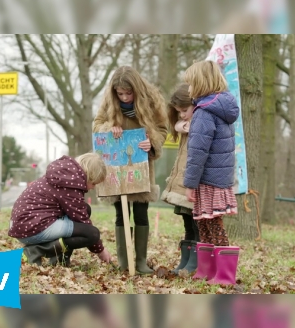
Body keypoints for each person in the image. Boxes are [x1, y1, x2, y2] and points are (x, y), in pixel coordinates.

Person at [93, 65, 168, 274]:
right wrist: (109, 129)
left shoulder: (152, 100)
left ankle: (141, 262)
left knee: (141, 212)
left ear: (137, 89)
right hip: (117, 166)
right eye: (120, 93)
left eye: (128, 93)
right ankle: (124, 261)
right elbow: (97, 124)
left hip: (141, 166)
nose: (124, 97)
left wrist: (151, 142)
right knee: (121, 212)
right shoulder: (109, 100)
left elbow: (163, 130)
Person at [182, 60, 240, 285]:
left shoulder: (204, 113)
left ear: (199, 83)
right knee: (204, 223)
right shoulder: (220, 109)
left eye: (189, 85)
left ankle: (224, 275)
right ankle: (208, 271)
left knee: (213, 225)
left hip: (208, 179)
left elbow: (197, 152)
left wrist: (190, 183)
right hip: (219, 178)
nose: (188, 90)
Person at [8, 153, 112, 267]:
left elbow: (80, 212)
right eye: (93, 183)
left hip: (25, 224)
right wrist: (100, 250)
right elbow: (82, 221)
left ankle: (59, 260)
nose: (93, 187)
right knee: (92, 234)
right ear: (88, 175)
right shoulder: (71, 184)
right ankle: (36, 250)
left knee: (85, 209)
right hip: (31, 227)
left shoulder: (64, 175)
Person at [160, 83, 200, 275]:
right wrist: (181, 123)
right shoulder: (185, 126)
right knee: (187, 220)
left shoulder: (200, 125)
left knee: (196, 222)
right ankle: (185, 260)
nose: (182, 115)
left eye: (185, 110)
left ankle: (194, 262)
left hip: (194, 182)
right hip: (182, 181)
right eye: (178, 112)